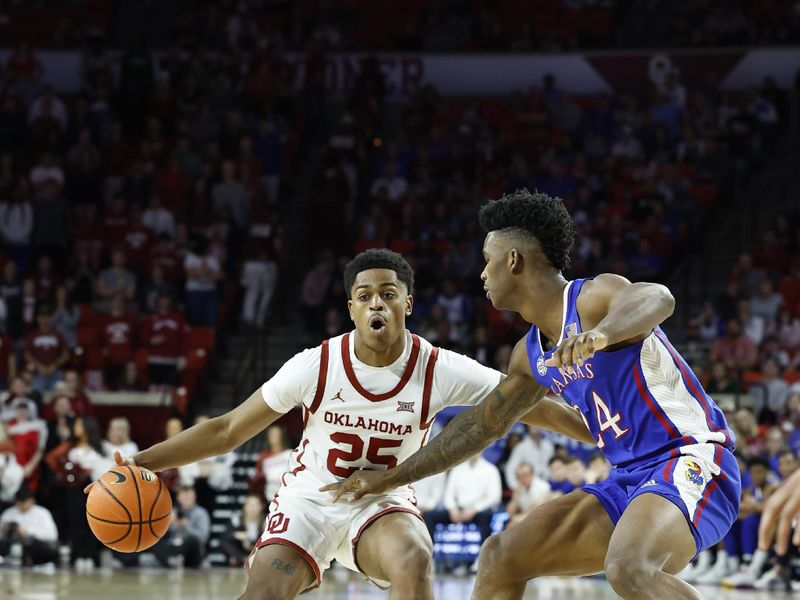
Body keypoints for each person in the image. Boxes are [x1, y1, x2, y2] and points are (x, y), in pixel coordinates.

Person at [85, 248, 593, 600]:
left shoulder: (440, 366)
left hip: (382, 502)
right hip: (309, 500)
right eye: (366, 295)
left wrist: (600, 431)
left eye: (389, 294)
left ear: (407, 304)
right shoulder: (315, 365)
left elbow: (524, 401)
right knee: (263, 592)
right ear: (351, 307)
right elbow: (227, 430)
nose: (377, 302)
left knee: (414, 560)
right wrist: (141, 460)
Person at [327, 190, 741, 600]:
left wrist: (601, 333)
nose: (483, 274)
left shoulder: (592, 300)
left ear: (513, 260)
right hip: (628, 481)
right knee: (501, 556)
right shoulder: (527, 357)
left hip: (693, 460)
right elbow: (480, 426)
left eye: (488, 261)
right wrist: (393, 477)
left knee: (629, 567)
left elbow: (658, 297)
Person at [0, 486, 58, 567]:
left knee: (32, 543)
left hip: (33, 546)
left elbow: (52, 535)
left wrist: (27, 531)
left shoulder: (42, 513)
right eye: (19, 501)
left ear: (31, 500)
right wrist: (3, 528)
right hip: (11, 544)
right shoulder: (9, 513)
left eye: (24, 501)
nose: (22, 504)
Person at [219, 494, 266, 567]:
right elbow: (224, 536)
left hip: (257, 552)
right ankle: (242, 559)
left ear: (260, 507)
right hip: (240, 551)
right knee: (225, 542)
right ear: (245, 507)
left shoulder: (266, 521)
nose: (252, 509)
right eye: (250, 505)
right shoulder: (237, 520)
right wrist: (236, 534)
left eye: (255, 505)